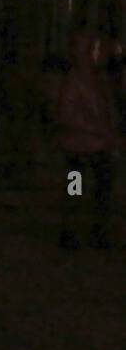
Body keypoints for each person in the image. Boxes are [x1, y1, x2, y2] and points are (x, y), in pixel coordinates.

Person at [57, 28, 122, 250]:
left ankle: (96, 230)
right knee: (75, 190)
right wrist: (95, 130)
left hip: (96, 146)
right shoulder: (76, 82)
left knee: (100, 189)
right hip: (78, 147)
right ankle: (71, 231)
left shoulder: (99, 82)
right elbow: (67, 115)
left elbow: (108, 112)